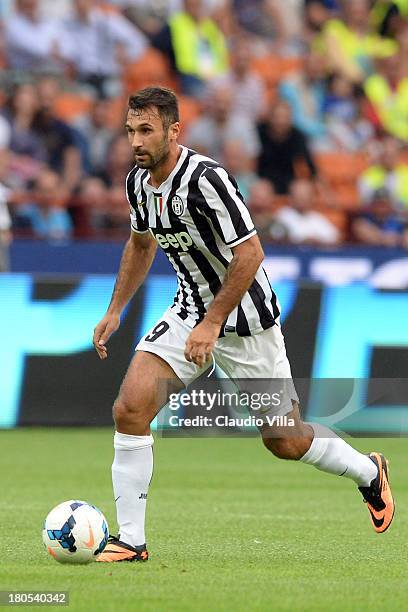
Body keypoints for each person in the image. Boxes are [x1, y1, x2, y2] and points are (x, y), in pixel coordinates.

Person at [92, 86, 395, 563]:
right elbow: (140, 244)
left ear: (175, 130)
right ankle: (131, 541)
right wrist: (116, 310)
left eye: (146, 130)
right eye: (130, 130)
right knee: (130, 409)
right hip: (189, 312)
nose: (135, 141)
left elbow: (250, 253)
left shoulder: (207, 179)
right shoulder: (137, 183)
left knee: (285, 440)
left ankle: (368, 472)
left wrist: (214, 324)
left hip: (246, 324)